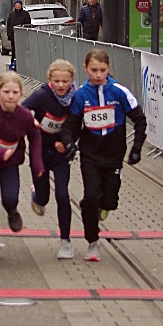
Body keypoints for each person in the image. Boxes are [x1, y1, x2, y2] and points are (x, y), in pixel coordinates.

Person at [66, 50, 146, 262]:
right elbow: (72, 126)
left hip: (114, 154)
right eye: (94, 70)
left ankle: (104, 205)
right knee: (91, 197)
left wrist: (136, 148)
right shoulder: (81, 95)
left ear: (108, 69)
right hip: (90, 154)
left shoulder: (119, 92)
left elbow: (139, 119)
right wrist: (68, 143)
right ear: (85, 68)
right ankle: (92, 240)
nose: (98, 75)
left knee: (109, 200)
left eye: (102, 70)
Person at [0, 71, 44, 260]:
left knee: (10, 198)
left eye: (15, 92)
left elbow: (35, 137)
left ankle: (12, 211)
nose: (11, 96)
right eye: (6, 92)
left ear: (21, 94)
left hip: (9, 165)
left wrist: (37, 164)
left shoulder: (25, 116)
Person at [23, 59, 79, 259]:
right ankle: (36, 194)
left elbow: (78, 123)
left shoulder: (76, 98)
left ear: (72, 80)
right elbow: (22, 110)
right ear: (49, 80)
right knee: (44, 197)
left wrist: (68, 142)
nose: (61, 85)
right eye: (57, 81)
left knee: (62, 195)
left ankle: (65, 241)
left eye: (65, 81)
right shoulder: (41, 95)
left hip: (60, 153)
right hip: (39, 150)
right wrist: (32, 121)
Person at [5, 0, 31, 69]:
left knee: (22, 51)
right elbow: (9, 25)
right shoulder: (12, 14)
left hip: (22, 37)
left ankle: (23, 64)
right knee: (14, 51)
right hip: (13, 36)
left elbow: (28, 24)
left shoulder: (25, 14)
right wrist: (9, 34)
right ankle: (13, 65)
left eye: (19, 5)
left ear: (21, 6)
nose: (17, 6)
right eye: (16, 5)